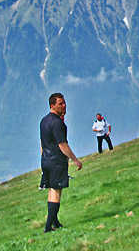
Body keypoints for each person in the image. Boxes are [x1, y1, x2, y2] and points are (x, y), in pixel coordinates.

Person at [40, 93, 82, 233]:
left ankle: (55, 222)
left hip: (46, 160)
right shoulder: (57, 123)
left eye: (64, 103)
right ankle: (48, 227)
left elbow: (42, 142)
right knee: (57, 191)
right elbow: (62, 144)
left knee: (52, 190)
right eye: (60, 104)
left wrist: (43, 157)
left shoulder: (44, 120)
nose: (64, 105)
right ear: (52, 106)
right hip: (56, 161)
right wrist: (75, 159)